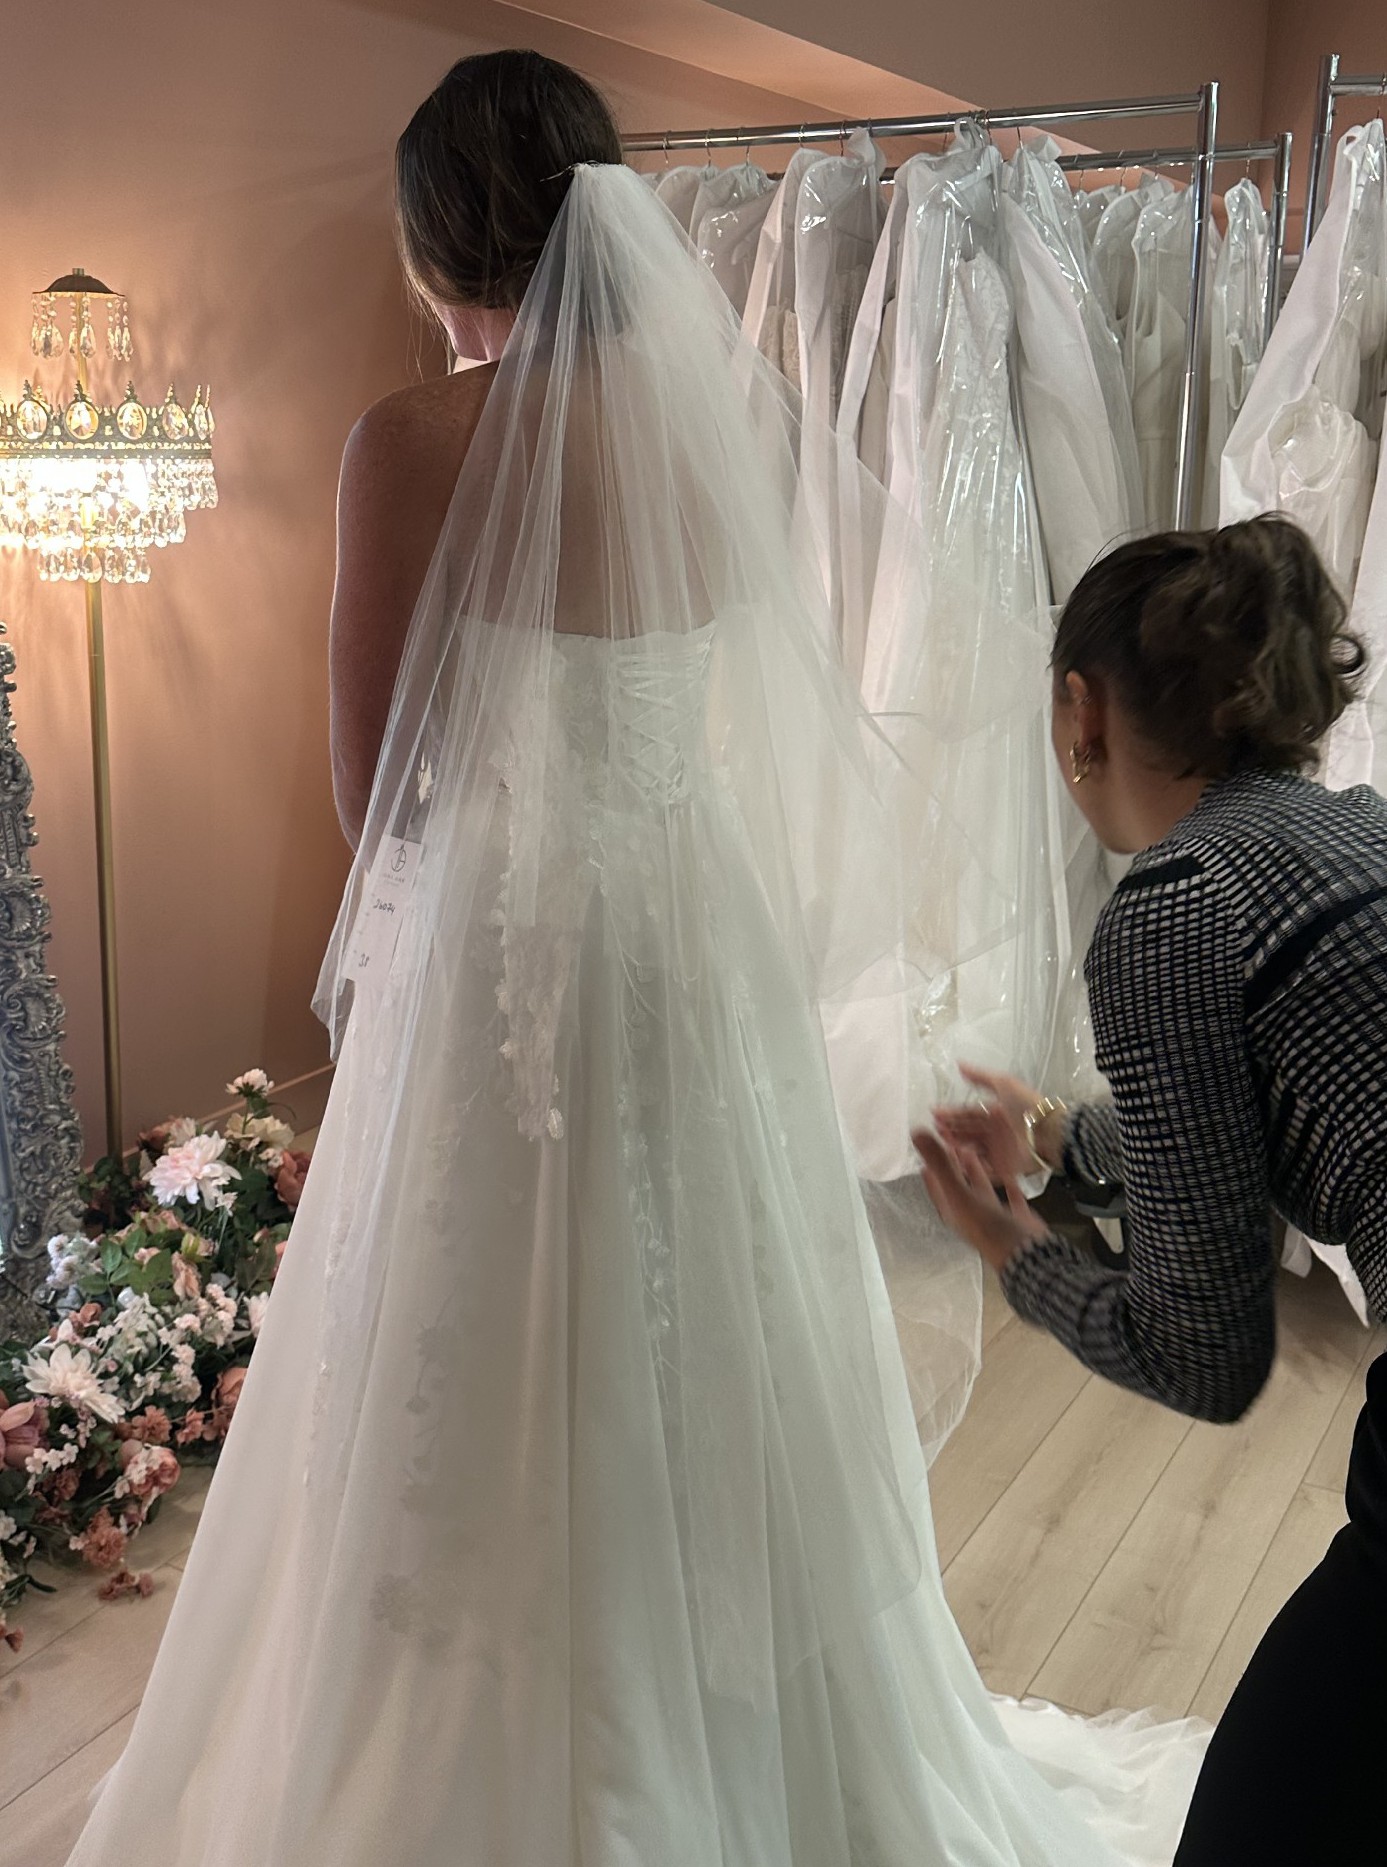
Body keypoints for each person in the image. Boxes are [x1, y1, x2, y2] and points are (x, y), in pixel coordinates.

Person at [69, 52, 1202, 1864]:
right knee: (701, 1309)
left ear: (439, 236)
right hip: (691, 930)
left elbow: (376, 789)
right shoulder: (709, 417)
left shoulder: (408, 443)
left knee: (477, 1327)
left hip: (506, 954)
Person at [923, 515, 1387, 1867]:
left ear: (1082, 712)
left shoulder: (1168, 910)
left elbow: (1205, 1353)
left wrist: (1017, 1254)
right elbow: (1251, 1106)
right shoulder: (1351, 833)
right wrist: (1060, 1138)